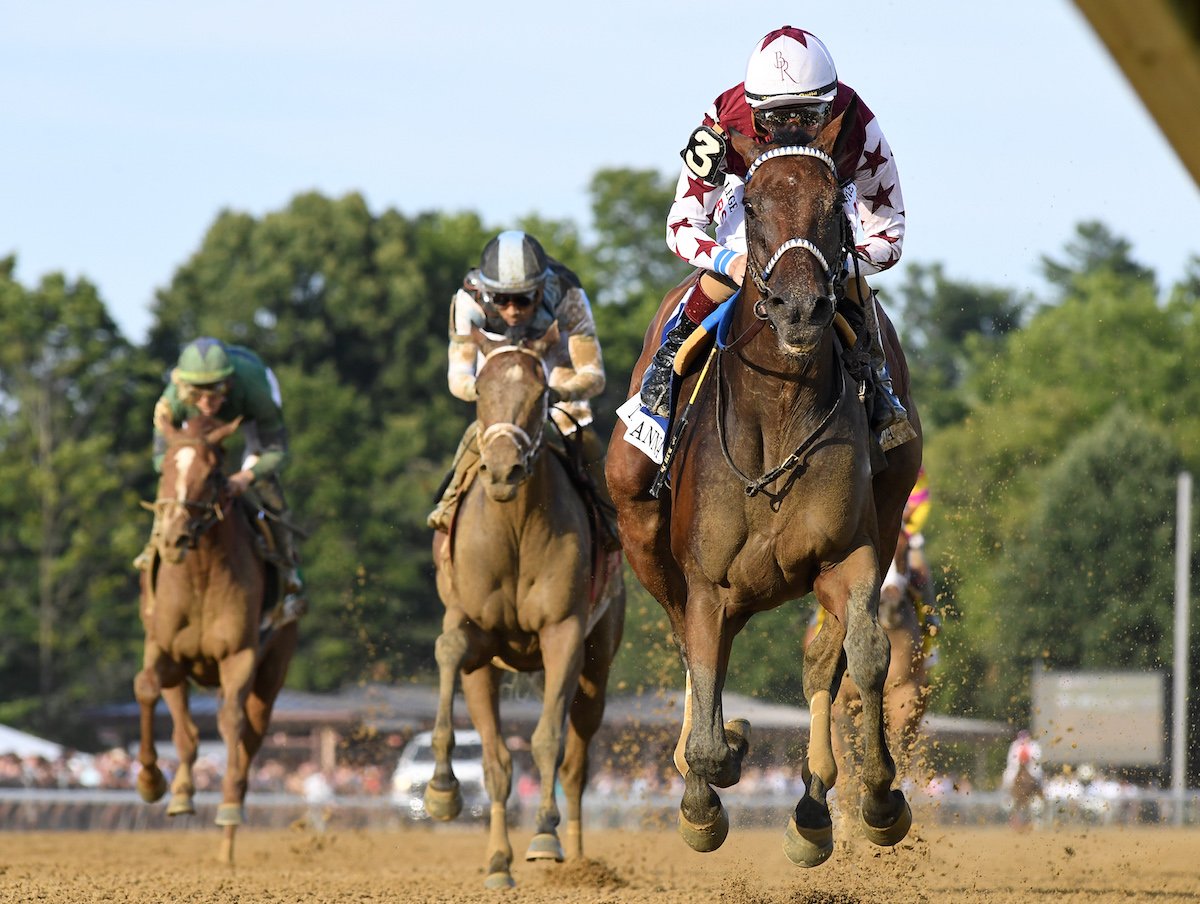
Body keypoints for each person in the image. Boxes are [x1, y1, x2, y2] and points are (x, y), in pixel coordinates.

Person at [640, 26, 910, 441]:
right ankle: (665, 366)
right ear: (752, 111)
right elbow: (681, 224)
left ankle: (876, 378)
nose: (794, 125)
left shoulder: (858, 123)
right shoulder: (721, 122)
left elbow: (890, 232)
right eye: (777, 117)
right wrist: (732, 261)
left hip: (825, 220)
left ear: (830, 104)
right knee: (736, 245)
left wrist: (833, 263)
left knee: (841, 271)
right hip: (752, 212)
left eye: (809, 115)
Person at [428, 231, 620, 549]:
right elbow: (458, 376)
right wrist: (494, 393)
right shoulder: (467, 300)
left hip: (554, 356)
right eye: (501, 300)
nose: (513, 309)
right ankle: (449, 505)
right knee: (485, 431)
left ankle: (610, 519)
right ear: (488, 292)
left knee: (580, 431)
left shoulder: (567, 292)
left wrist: (554, 394)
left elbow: (593, 375)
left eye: (523, 299)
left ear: (542, 289)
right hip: (497, 362)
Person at [136, 338, 306, 620]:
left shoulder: (253, 389)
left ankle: (288, 571)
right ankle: (154, 543)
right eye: (196, 395)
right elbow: (160, 461)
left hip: (249, 411)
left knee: (266, 484)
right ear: (182, 389)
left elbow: (278, 452)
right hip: (195, 431)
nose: (206, 403)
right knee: (177, 477)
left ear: (229, 384)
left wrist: (247, 476)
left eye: (215, 393)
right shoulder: (171, 401)